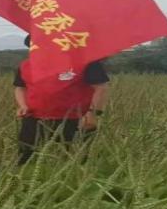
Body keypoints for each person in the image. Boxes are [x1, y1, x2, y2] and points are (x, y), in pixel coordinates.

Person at [14, 36, 110, 164]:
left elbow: (101, 87)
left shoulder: (85, 62)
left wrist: (92, 113)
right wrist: (22, 105)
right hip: (34, 118)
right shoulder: (26, 65)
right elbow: (20, 88)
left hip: (75, 119)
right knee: (25, 160)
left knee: (77, 162)